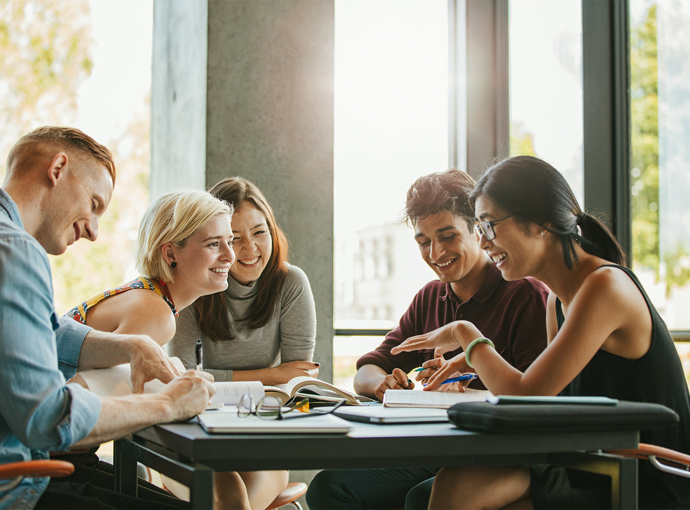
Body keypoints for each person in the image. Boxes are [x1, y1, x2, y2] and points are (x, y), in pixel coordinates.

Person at [391, 156, 690, 509]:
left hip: (644, 478)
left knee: (458, 489)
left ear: (540, 223)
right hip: (592, 464)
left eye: (488, 226)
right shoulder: (558, 303)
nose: (484, 242)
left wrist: (466, 335)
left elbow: (525, 395)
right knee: (446, 486)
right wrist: (474, 363)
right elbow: (540, 405)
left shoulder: (605, 287)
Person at [306, 169, 550, 510]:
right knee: (328, 487)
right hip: (440, 451)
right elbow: (367, 369)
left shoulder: (525, 295)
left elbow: (534, 404)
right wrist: (383, 384)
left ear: (478, 230)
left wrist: (468, 392)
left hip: (502, 458)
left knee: (422, 498)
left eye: (448, 236)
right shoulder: (430, 297)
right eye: (423, 241)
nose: (435, 253)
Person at [0, 126, 215, 510]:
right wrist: (168, 404)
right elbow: (48, 418)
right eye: (95, 204)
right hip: (17, 485)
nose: (94, 232)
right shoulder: (16, 251)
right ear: (58, 168)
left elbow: (41, 332)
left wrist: (131, 345)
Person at [168, 176, 318, 509]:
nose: (249, 249)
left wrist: (278, 378)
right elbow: (182, 380)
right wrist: (271, 374)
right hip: (198, 435)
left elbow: (297, 383)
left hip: (262, 436)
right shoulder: (192, 286)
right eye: (234, 239)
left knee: (235, 503)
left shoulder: (290, 283)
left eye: (259, 232)